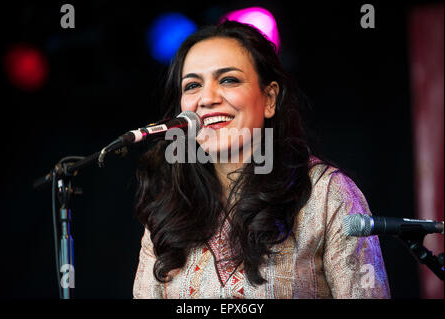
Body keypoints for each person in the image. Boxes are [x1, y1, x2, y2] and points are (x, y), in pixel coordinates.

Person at [133, 20, 390, 299]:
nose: (206, 98)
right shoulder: (170, 209)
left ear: (269, 99)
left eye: (228, 79)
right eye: (193, 85)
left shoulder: (327, 195)